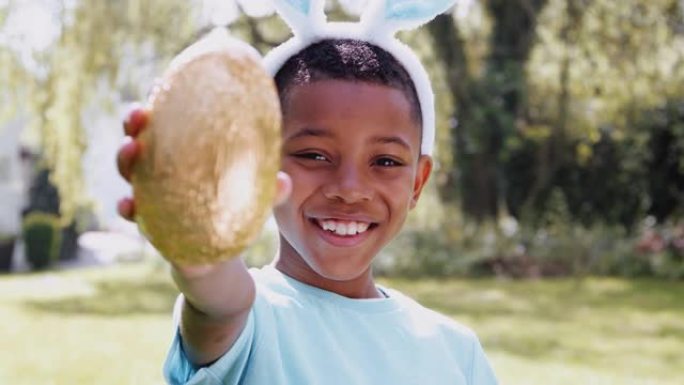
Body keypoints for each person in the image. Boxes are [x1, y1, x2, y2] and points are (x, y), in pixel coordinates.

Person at [116, 1, 498, 384]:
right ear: (261, 164)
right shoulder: (248, 321)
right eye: (313, 155)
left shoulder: (457, 352)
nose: (350, 190)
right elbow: (216, 302)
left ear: (417, 181)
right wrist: (199, 248)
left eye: (384, 162)